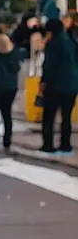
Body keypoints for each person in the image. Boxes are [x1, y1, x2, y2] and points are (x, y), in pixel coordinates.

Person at [39, 17, 78, 154]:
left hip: (55, 85)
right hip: (72, 84)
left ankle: (48, 145)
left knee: (49, 116)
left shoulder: (53, 43)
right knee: (66, 117)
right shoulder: (72, 41)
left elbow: (49, 66)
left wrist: (43, 82)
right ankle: (65, 144)